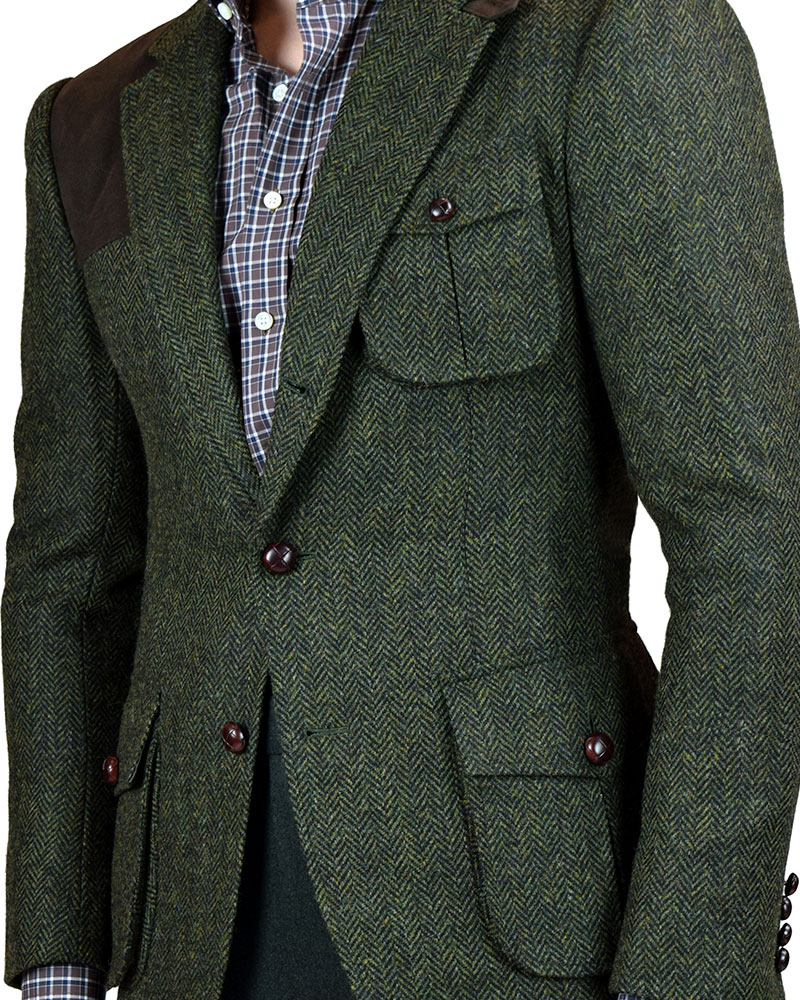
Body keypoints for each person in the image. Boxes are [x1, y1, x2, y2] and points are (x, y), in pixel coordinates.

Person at [3, 0, 800, 995]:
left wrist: (692, 960)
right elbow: (67, 572)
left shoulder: (608, 37)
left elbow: (751, 530)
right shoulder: (93, 121)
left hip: (529, 930)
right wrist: (60, 957)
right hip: (186, 931)